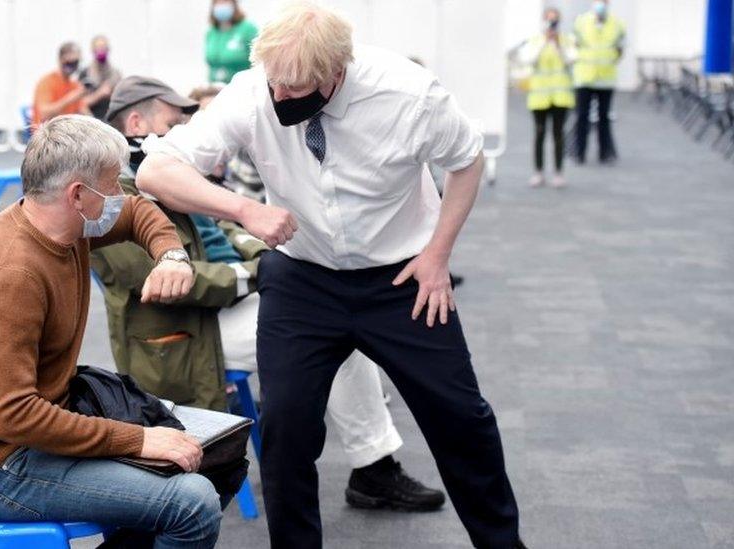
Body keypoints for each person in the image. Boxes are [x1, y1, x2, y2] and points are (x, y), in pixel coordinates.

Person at [137, 2, 524, 548]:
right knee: (286, 433)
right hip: (303, 279)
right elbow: (156, 168)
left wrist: (438, 254)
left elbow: (467, 161)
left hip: (401, 281)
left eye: (295, 90)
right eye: (275, 85)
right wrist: (245, 211)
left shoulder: (409, 95)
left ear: (335, 72)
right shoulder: (253, 93)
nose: (280, 99)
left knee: (462, 419)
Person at [97, 75, 446, 514]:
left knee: (332, 324)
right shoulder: (110, 196)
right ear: (135, 121)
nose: (184, 129)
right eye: (175, 120)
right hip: (183, 334)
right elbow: (168, 282)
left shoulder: (155, 177)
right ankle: (372, 468)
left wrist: (261, 255)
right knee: (329, 330)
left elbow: (221, 225)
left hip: (221, 313)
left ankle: (372, 467)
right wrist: (257, 272)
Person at [0, 114, 225, 548]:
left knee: (211, 449)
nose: (117, 195)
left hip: (38, 433)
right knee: (191, 502)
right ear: (78, 195)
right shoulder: (12, 277)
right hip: (2, 468)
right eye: (111, 184)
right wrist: (137, 440)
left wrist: (171, 256)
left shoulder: (64, 227)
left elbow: (137, 210)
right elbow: (13, 415)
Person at [522, 7, 575, 187]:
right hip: (539, 97)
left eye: (555, 20)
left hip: (560, 96)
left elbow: (571, 60)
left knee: (558, 134)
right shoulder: (536, 40)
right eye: (549, 20)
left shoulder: (566, 41)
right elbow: (528, 60)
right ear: (543, 21)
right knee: (539, 134)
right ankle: (538, 172)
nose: (552, 24)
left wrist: (558, 45)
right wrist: (545, 41)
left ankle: (559, 172)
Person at [572, 0, 625, 164]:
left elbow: (620, 49)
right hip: (584, 78)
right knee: (582, 117)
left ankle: (605, 153)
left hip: (605, 78)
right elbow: (574, 46)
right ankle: (579, 153)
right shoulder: (581, 22)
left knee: (604, 117)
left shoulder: (617, 24)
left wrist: (608, 61)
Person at [31, 42, 106, 126]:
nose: (72, 64)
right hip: (46, 132)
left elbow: (84, 111)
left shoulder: (74, 85)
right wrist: (71, 98)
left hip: (66, 130)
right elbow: (44, 114)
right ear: (60, 59)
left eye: (75, 62)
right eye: (69, 61)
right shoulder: (46, 82)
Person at [205, 0, 258, 84]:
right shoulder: (211, 32)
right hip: (215, 88)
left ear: (234, 4)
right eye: (218, 3)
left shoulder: (247, 29)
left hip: (242, 86)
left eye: (225, 2)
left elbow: (259, 60)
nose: (222, 6)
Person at [80, 35, 122, 120]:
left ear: (108, 49)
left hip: (111, 122)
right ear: (93, 50)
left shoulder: (116, 75)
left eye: (103, 48)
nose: (101, 51)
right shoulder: (85, 74)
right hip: (92, 121)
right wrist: (99, 94)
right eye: (98, 48)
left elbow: (122, 101)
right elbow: (80, 104)